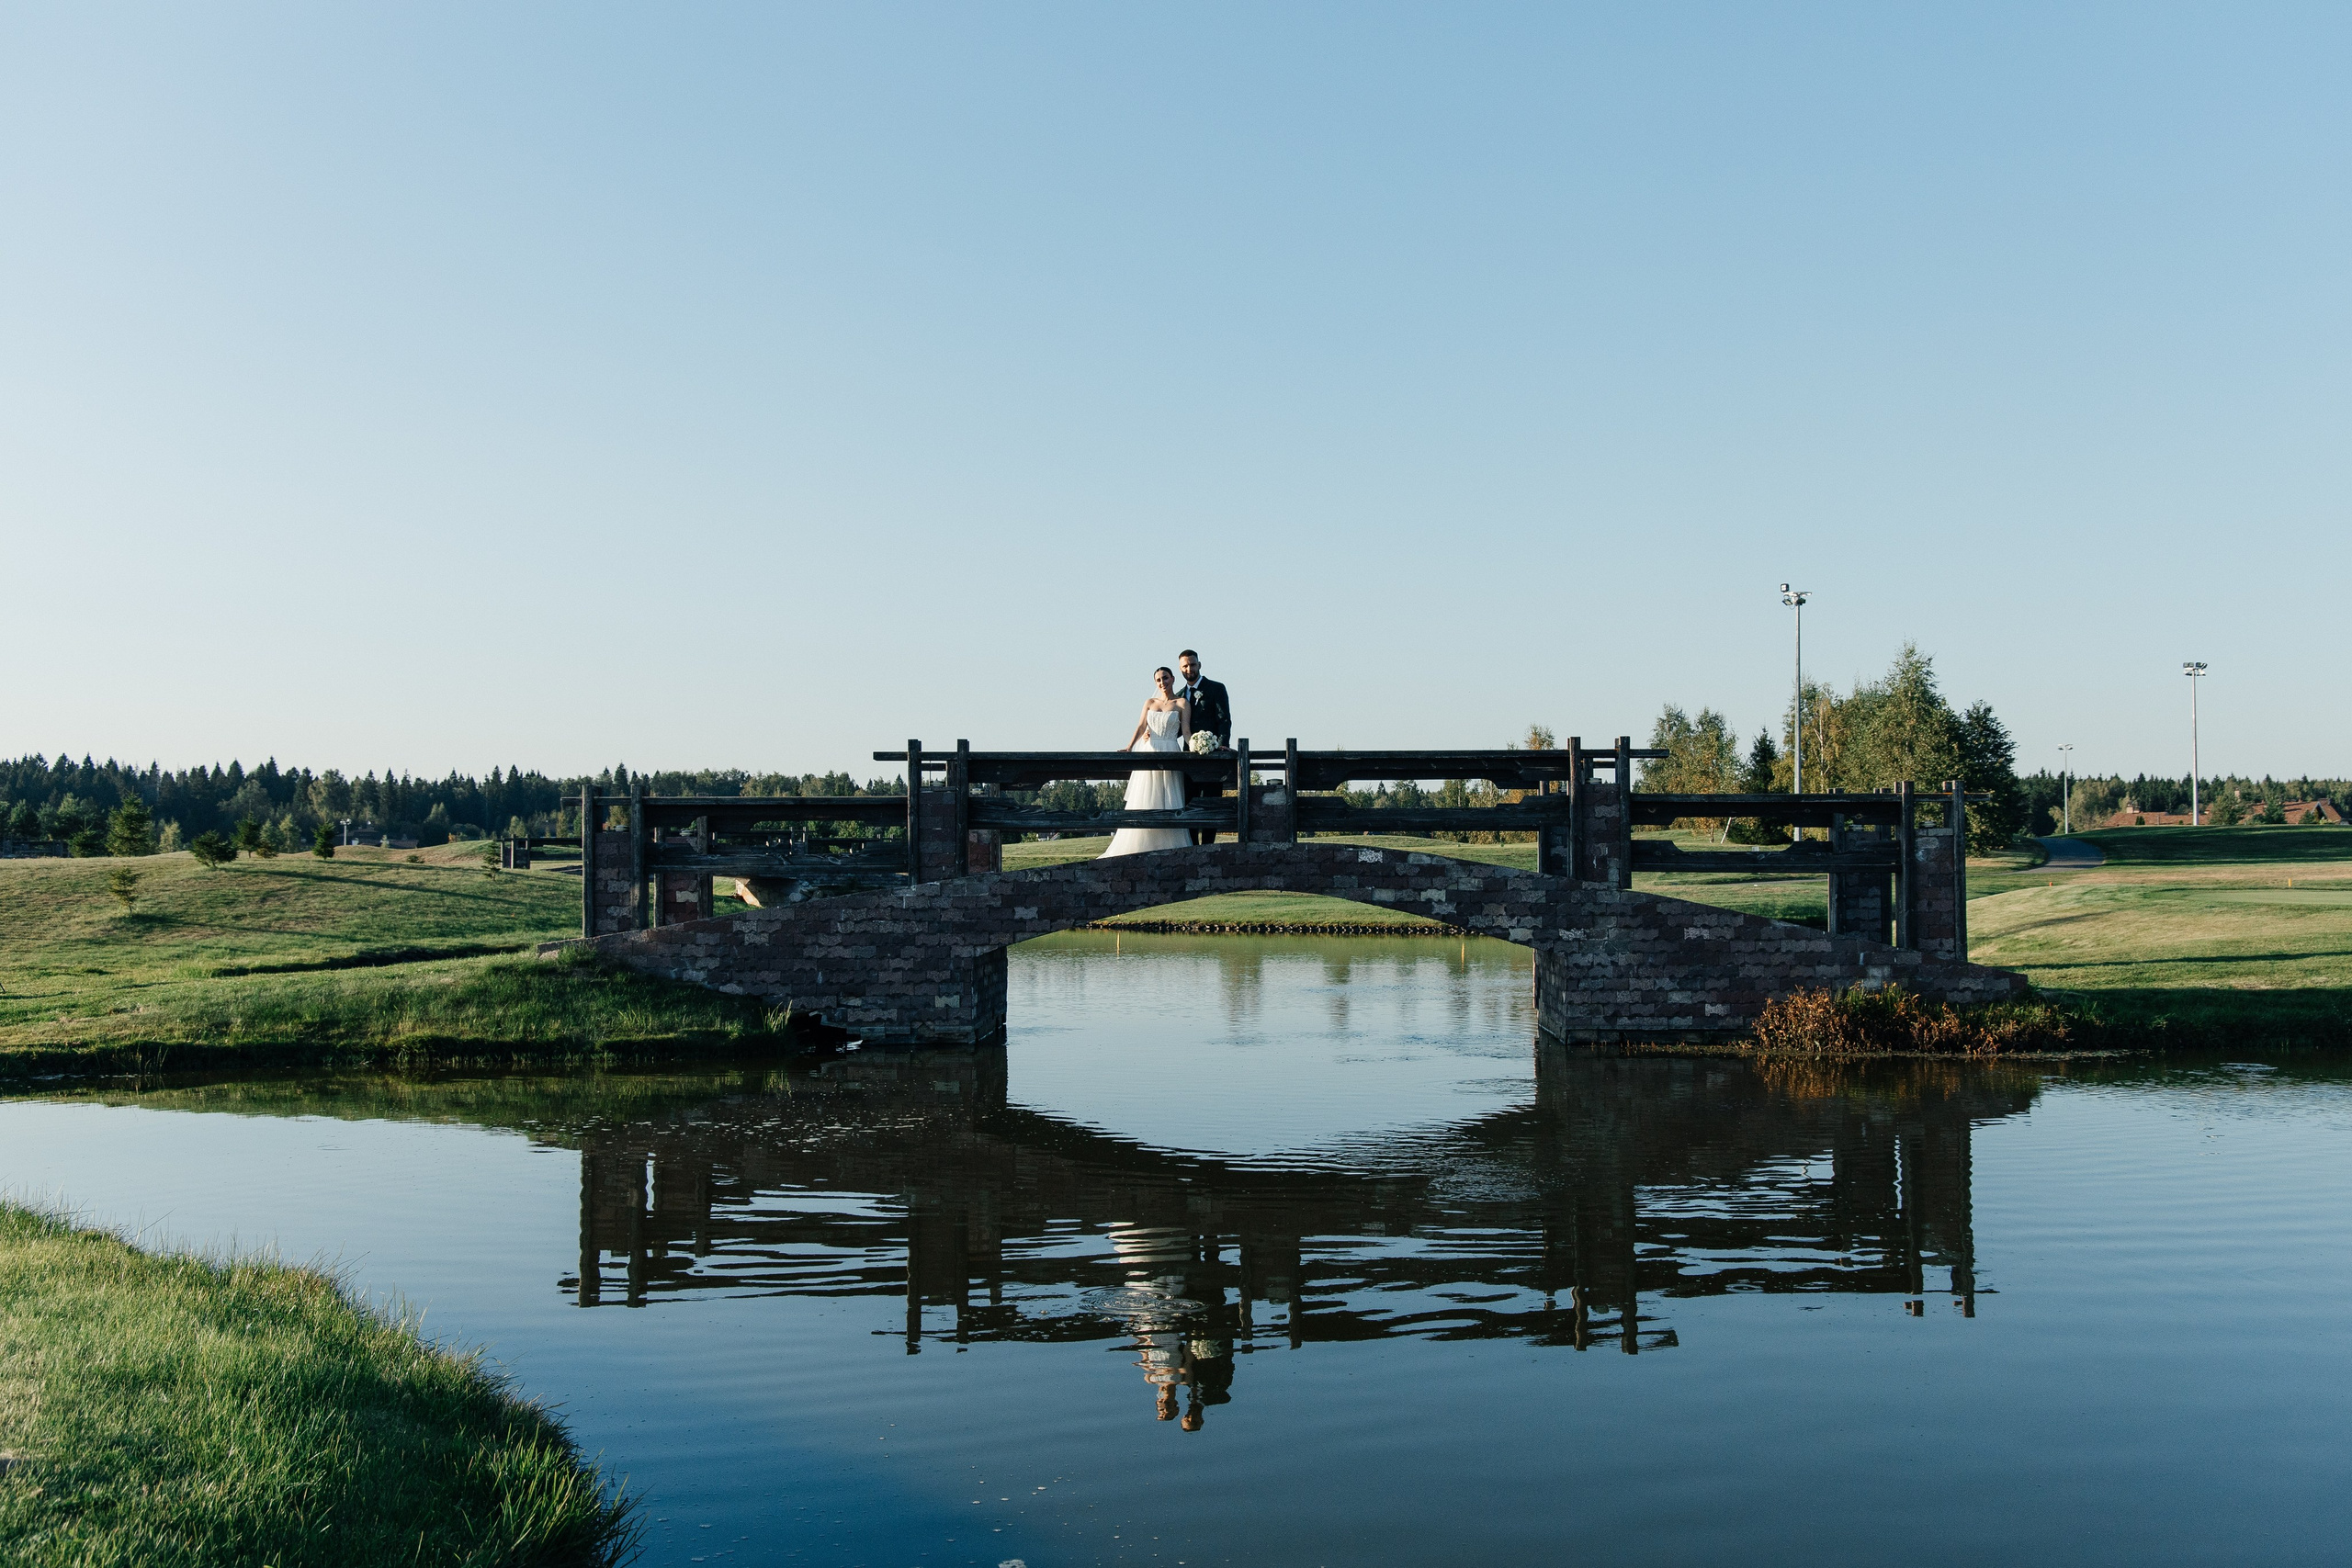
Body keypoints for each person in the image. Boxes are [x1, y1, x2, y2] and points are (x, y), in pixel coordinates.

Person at [1100, 667, 1193, 858]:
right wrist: (1129, 746)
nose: (1162, 682)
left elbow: (1186, 732)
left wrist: (1198, 747)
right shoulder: (1150, 703)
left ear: (1173, 679)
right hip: (1150, 751)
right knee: (1147, 797)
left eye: (1165, 678)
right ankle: (1142, 844)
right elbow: (1142, 726)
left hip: (1170, 752)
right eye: (1158, 680)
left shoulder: (1182, 703)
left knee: (1169, 798)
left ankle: (1169, 846)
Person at [1175, 650, 1231, 846]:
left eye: (1192, 664)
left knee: (1211, 803)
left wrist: (1222, 744)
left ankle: (1208, 847)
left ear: (1199, 665)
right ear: (1180, 669)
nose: (1189, 669)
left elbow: (1224, 720)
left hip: (1213, 757)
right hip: (1188, 760)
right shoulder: (1179, 696)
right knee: (1189, 802)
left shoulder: (1216, 688)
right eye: (1185, 666)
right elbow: (1176, 729)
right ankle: (1192, 847)